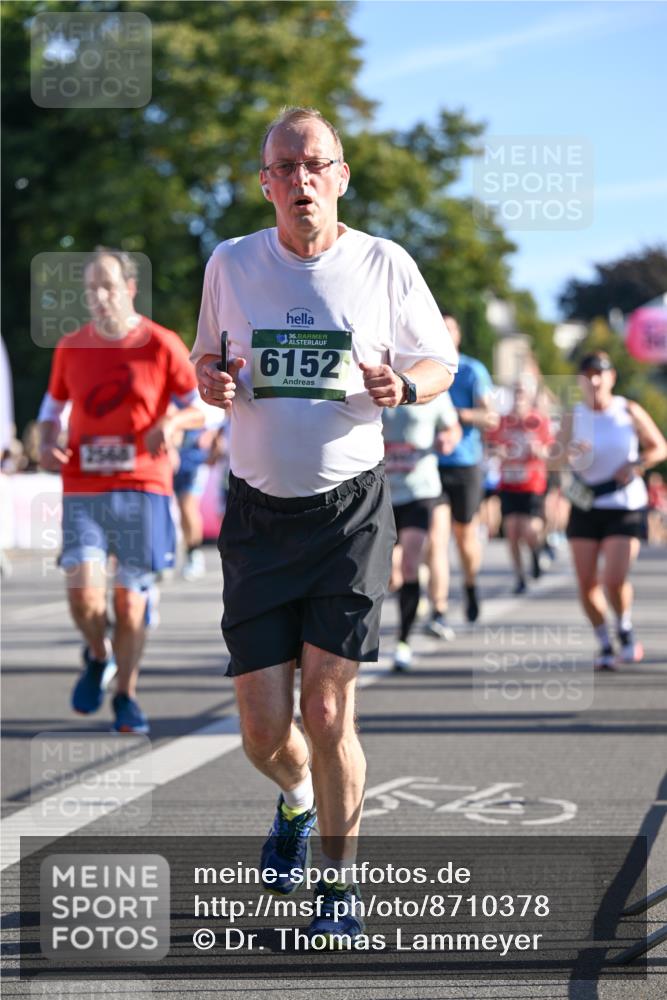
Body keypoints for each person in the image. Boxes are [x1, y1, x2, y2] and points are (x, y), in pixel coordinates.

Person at [191, 106, 457, 943]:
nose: (301, 180)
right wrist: (211, 381)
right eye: (285, 166)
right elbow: (207, 357)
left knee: (329, 712)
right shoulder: (232, 263)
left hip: (348, 512)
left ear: (340, 176)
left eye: (317, 165)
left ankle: (337, 890)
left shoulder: (383, 262)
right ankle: (295, 800)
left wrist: (404, 389)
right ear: (265, 182)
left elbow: (437, 359)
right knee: (263, 730)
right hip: (257, 515)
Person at [38, 248, 203, 733]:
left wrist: (173, 421)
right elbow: (51, 413)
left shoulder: (160, 343)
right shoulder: (72, 346)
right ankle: (97, 653)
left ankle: (126, 694)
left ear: (130, 288)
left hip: (143, 486)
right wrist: (47, 442)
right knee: (83, 595)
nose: (99, 297)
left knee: (130, 601)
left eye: (108, 286)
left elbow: (206, 408)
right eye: (90, 288)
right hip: (84, 487)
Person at [559, 351, 666, 669]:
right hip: (585, 504)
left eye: (600, 373)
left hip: (624, 504)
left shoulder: (628, 410)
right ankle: (605, 643)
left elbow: (659, 446)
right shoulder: (572, 416)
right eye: (588, 374)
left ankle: (625, 628)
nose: (594, 380)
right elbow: (555, 457)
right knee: (587, 582)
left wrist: (638, 463)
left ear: (611, 377)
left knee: (614, 579)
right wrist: (571, 455)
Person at [426, 313, 497, 633]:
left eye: (449, 328)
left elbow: (490, 416)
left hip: (466, 463)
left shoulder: (472, 370)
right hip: (430, 465)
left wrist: (455, 415)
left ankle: (469, 584)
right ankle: (438, 609)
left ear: (457, 336)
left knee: (465, 536)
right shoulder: (423, 367)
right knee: (436, 540)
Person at [383, 394, 460, 671]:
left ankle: (403, 642)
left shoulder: (432, 385)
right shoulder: (371, 374)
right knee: (390, 573)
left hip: (420, 491)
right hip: (383, 492)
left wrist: (448, 439)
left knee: (409, 565)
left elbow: (453, 426)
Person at [486, 379, 554, 594]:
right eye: (516, 391)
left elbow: (551, 451)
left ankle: (536, 549)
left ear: (530, 395)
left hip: (532, 483)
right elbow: (490, 446)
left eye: (523, 391)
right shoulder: (502, 421)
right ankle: (519, 577)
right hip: (508, 482)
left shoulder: (539, 421)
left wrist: (538, 451)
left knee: (530, 530)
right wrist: (497, 452)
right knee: (512, 532)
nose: (519, 396)